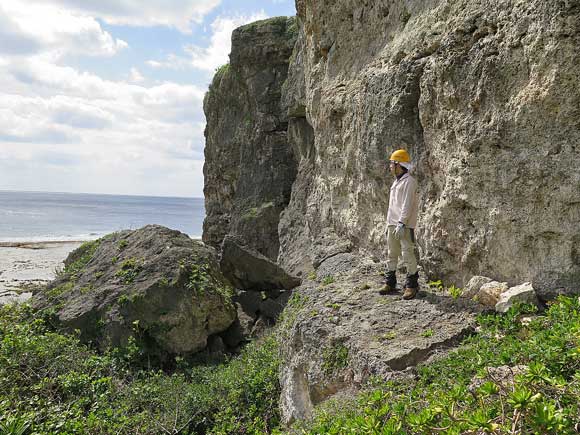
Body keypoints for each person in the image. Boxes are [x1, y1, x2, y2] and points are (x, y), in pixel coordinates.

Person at [379, 149, 420, 300]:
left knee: (408, 253)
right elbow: (393, 205)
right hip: (392, 223)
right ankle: (390, 282)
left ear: (398, 164)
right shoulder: (396, 182)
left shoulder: (410, 182)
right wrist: (389, 224)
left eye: (391, 163)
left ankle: (412, 285)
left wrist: (402, 223)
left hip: (404, 224)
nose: (390, 166)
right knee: (392, 253)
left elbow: (407, 205)